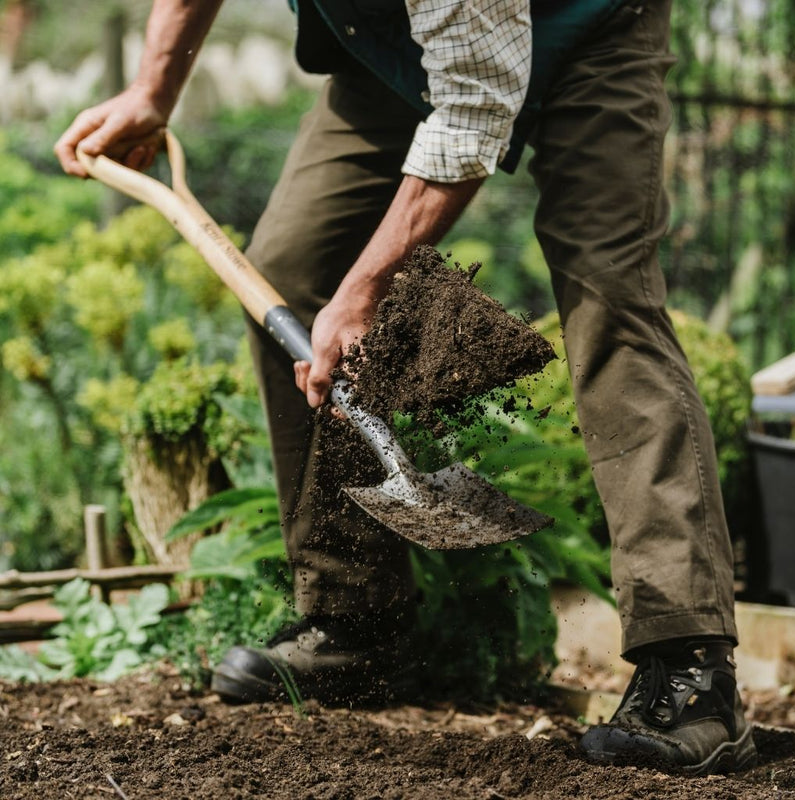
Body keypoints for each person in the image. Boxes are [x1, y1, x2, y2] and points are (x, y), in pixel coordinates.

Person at [56, 0, 757, 775]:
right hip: (397, 49)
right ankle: (354, 620)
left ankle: (690, 670)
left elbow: (477, 105)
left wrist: (367, 290)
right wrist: (152, 90)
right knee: (291, 267)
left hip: (586, 23)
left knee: (608, 298)